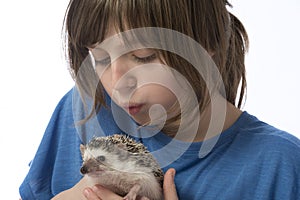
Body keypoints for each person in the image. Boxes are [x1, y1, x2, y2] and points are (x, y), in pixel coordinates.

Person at [19, 0, 300, 199]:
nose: (117, 83)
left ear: (207, 44)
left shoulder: (281, 165)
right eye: (101, 57)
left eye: (144, 57)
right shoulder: (85, 108)